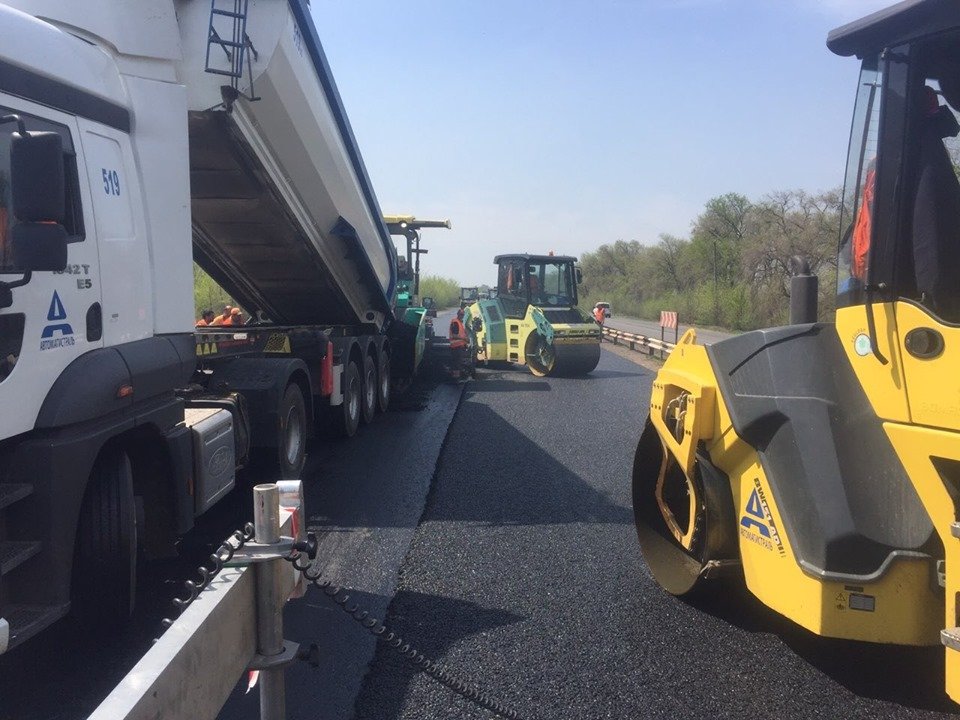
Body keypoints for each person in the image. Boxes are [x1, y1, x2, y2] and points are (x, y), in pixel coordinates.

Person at [448, 308, 469, 378]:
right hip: (456, 347)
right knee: (456, 363)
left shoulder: (460, 323)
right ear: (458, 314)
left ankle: (457, 377)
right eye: (461, 314)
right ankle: (456, 378)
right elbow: (454, 335)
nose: (462, 316)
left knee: (458, 363)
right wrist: (464, 338)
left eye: (463, 315)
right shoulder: (455, 322)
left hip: (460, 346)